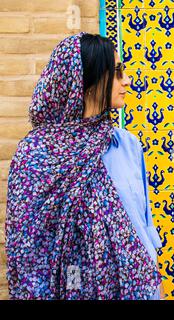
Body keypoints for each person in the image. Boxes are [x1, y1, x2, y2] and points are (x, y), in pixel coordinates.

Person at [5, 32, 165, 300]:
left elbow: (145, 233)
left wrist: (157, 289)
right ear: (87, 82)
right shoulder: (37, 156)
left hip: (138, 292)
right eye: (116, 72)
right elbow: (29, 253)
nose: (126, 80)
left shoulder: (126, 146)